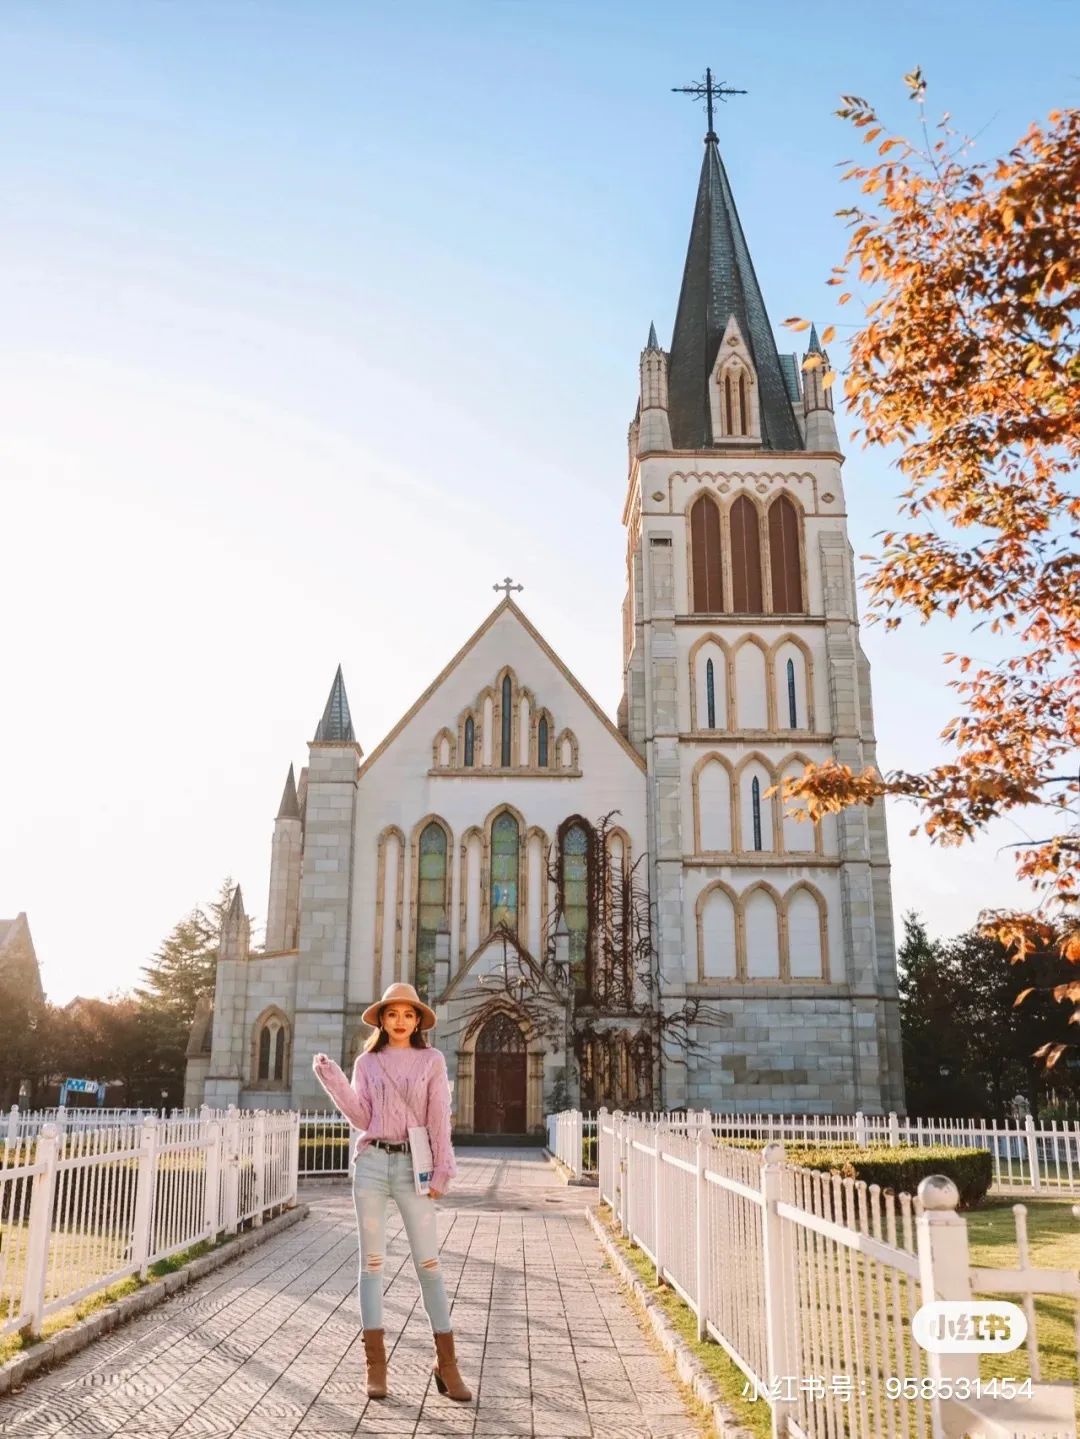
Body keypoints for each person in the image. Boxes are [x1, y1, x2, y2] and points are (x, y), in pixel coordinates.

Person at [312, 981, 471, 1404]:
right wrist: (334, 1081)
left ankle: (447, 1363)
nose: (400, 1021)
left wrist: (443, 1169)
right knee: (373, 1265)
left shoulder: (432, 1060)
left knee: (429, 1264)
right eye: (392, 1014)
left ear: (418, 1020)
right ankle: (376, 1366)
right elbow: (364, 1116)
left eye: (408, 1014)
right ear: (381, 1019)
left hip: (414, 1168)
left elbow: (439, 1118)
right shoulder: (367, 1063)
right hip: (373, 1164)